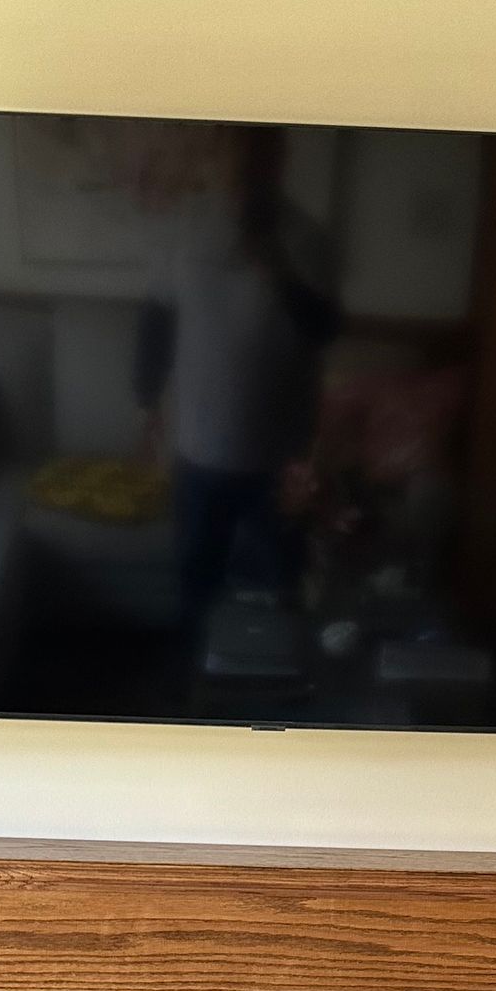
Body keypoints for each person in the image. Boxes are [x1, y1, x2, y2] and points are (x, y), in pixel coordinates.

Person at [134, 126, 340, 625]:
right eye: (234, 148)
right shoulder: (182, 227)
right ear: (215, 152)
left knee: (280, 597)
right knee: (194, 592)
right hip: (197, 456)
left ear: (280, 156)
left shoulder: (309, 238)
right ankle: (193, 673)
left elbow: (325, 331)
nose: (245, 163)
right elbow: (156, 320)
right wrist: (145, 402)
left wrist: (281, 271)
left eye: (259, 149)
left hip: (281, 463)